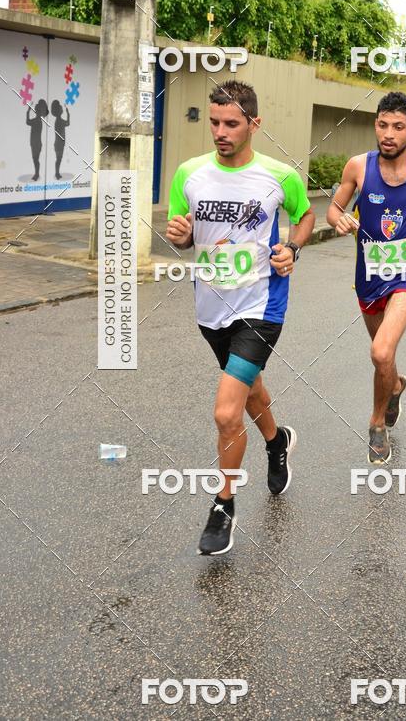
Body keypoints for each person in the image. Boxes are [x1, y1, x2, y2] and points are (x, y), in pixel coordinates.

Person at [166, 80, 315, 555]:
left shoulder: (279, 176)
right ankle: (277, 440)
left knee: (226, 410)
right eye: (214, 122)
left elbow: (306, 215)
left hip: (261, 305)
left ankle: (223, 504)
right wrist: (180, 235)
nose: (221, 132)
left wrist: (291, 246)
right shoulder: (189, 174)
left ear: (254, 124)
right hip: (210, 307)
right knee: (247, 386)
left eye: (231, 123)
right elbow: (183, 237)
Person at [326, 92, 406, 464]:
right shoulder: (357, 168)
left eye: (398, 127)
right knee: (385, 360)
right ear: (375, 125)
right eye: (382, 125)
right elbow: (334, 207)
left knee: (381, 350)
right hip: (368, 277)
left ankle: (377, 423)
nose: (389, 134)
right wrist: (340, 219)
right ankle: (394, 387)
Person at [25, 99, 48, 181]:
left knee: (36, 159)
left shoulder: (37, 121)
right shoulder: (38, 120)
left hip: (36, 144)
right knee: (35, 159)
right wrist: (28, 110)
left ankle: (37, 174)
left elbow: (28, 122)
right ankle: (36, 174)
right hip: (35, 143)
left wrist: (28, 111)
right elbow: (28, 122)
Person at [51, 99, 70, 180]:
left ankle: (57, 173)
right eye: (61, 109)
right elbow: (67, 123)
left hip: (59, 143)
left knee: (59, 159)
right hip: (59, 144)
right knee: (58, 159)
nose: (62, 109)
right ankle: (57, 173)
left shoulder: (58, 120)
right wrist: (68, 113)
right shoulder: (59, 121)